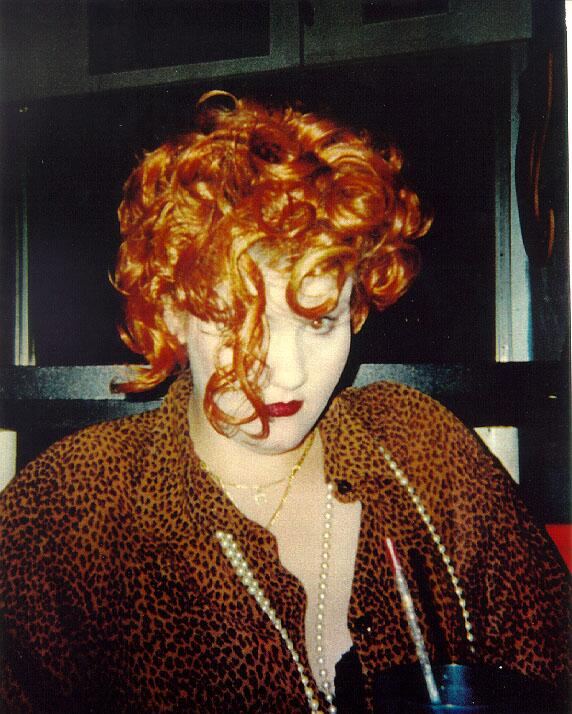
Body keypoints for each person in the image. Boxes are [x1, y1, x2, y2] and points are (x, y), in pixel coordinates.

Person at [1, 91, 568, 714]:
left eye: (320, 322)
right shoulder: (65, 509)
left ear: (356, 307)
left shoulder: (424, 451)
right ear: (172, 311)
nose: (289, 374)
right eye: (238, 323)